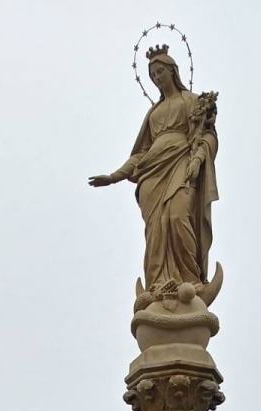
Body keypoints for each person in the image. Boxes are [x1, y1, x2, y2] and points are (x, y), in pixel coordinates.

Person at [88, 45, 218, 295]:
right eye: (152, 75)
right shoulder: (153, 113)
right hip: (151, 174)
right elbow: (140, 154)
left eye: (160, 72)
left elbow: (207, 136)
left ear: (172, 71)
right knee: (155, 232)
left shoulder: (191, 101)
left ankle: (190, 278)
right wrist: (115, 176)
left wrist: (198, 159)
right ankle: (159, 284)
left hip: (181, 162)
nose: (157, 78)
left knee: (178, 216)